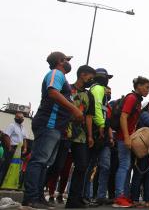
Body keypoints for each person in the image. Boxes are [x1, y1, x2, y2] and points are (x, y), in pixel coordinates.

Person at [22, 51, 84, 209]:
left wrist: (71, 115)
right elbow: (53, 92)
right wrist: (75, 110)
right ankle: (30, 197)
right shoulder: (56, 73)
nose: (68, 62)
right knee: (39, 160)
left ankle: (38, 196)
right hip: (48, 123)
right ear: (59, 61)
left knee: (45, 163)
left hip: (56, 126)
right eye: (65, 60)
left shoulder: (61, 75)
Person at [113, 76, 149, 208]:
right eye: (146, 87)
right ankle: (119, 197)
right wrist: (126, 137)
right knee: (124, 166)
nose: (148, 90)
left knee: (126, 166)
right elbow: (123, 117)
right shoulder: (132, 98)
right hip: (124, 138)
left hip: (126, 138)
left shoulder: (137, 100)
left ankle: (123, 195)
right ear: (138, 86)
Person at [65, 65, 97, 208]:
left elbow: (89, 117)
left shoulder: (89, 95)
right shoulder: (67, 88)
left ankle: (74, 200)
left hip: (81, 136)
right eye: (90, 77)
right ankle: (40, 194)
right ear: (82, 74)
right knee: (57, 165)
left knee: (82, 166)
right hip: (64, 132)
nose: (91, 80)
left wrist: (90, 136)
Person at [83, 69, 114, 206]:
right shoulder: (97, 88)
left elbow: (104, 114)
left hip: (104, 134)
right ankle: (85, 195)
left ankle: (101, 196)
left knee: (105, 166)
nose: (108, 81)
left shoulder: (104, 95)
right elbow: (95, 107)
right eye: (107, 77)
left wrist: (109, 135)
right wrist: (101, 126)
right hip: (96, 131)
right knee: (90, 165)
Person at [0, 112, 28, 185]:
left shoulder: (23, 128)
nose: (20, 119)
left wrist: (25, 148)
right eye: (19, 117)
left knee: (15, 167)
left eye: (22, 117)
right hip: (12, 148)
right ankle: (1, 182)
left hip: (19, 150)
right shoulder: (12, 126)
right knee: (6, 165)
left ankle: (10, 184)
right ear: (15, 118)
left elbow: (24, 139)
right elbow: (6, 136)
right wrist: (9, 147)